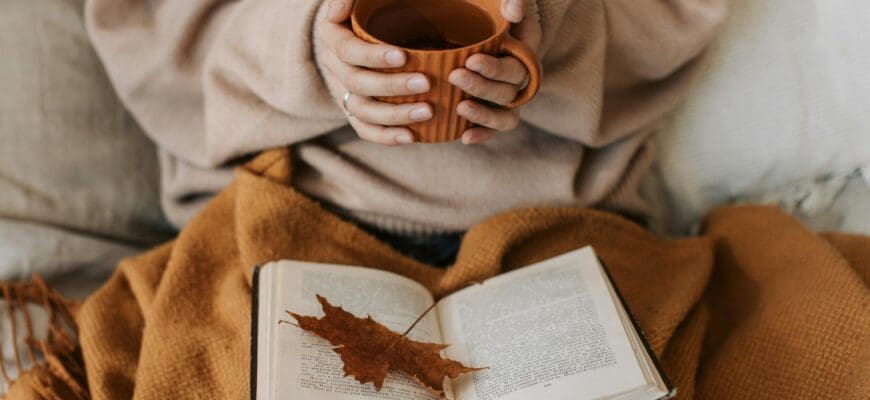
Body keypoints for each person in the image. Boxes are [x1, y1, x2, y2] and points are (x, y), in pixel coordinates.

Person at [85, 0, 727, 265]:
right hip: (285, 220)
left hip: (559, 229)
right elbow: (150, 32)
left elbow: (674, 20)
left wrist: (548, 31)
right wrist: (306, 46)